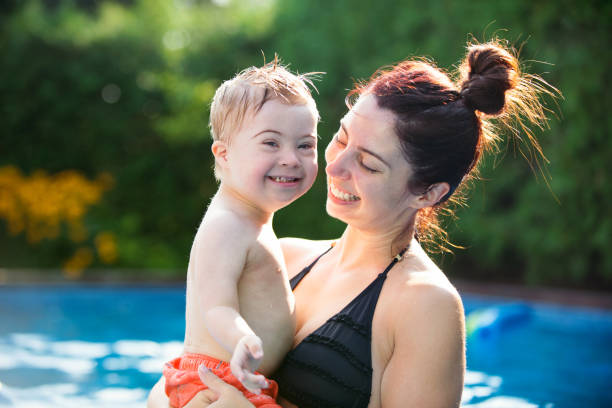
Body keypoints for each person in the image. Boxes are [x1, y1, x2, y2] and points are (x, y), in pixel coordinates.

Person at [148, 39, 555, 408]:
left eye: (368, 163)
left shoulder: (424, 304)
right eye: (341, 139)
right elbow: (188, 368)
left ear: (428, 193)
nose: (335, 165)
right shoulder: (284, 255)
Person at [148, 59, 320, 408]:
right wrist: (242, 339)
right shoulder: (226, 225)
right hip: (215, 384)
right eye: (271, 143)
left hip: (232, 381)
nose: (291, 158)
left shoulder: (253, 221)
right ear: (224, 154)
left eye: (305, 145)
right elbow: (217, 309)